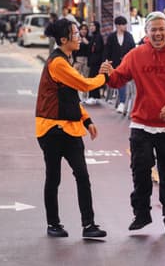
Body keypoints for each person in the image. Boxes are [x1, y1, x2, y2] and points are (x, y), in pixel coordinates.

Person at [106, 12, 165, 236]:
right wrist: (108, 74)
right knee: (140, 171)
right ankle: (141, 214)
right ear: (146, 32)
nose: (157, 33)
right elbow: (119, 79)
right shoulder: (137, 55)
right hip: (142, 125)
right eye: (153, 30)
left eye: (161, 29)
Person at [36, 18, 109, 239]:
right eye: (75, 33)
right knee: (54, 177)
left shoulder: (66, 60)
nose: (80, 36)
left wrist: (87, 121)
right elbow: (84, 85)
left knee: (82, 176)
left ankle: (89, 225)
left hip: (69, 127)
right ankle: (53, 224)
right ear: (64, 39)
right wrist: (104, 76)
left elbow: (71, 97)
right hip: (52, 129)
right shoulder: (57, 63)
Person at [104, 15, 135, 114]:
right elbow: (107, 50)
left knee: (123, 82)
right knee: (120, 82)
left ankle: (122, 102)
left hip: (127, 64)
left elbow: (133, 49)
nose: (124, 26)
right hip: (115, 63)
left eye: (125, 24)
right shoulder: (111, 37)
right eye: (122, 24)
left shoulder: (129, 36)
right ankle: (121, 102)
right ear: (117, 25)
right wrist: (107, 62)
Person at [86, 21, 105, 105]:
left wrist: (90, 45)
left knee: (92, 78)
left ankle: (93, 97)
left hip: (96, 62)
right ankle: (94, 96)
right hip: (94, 61)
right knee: (92, 78)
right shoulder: (94, 36)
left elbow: (96, 48)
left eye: (93, 26)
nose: (91, 27)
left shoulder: (98, 37)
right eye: (90, 26)